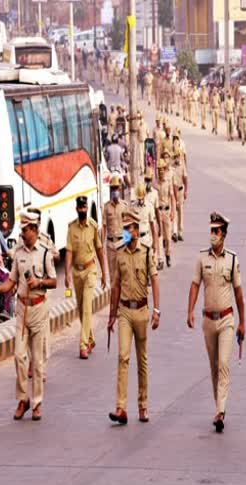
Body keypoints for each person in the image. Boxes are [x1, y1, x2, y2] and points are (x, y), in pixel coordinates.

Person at [0, 210, 57, 422]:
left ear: (34, 230)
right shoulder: (18, 253)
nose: (22, 234)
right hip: (22, 310)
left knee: (37, 362)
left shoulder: (45, 252)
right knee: (19, 357)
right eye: (21, 230)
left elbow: (54, 281)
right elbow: (11, 282)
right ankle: (23, 399)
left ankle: (37, 402)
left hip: (39, 309)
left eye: (25, 230)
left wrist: (39, 283)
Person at [187, 212, 246, 433]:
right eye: (211, 230)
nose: (212, 235)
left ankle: (221, 410)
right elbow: (195, 285)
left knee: (223, 363)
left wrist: (242, 322)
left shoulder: (232, 260)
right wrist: (190, 310)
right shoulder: (202, 258)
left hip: (227, 320)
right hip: (208, 320)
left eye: (216, 231)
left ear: (224, 235)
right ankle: (218, 406)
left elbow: (239, 293)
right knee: (213, 366)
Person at [107, 210, 160, 424]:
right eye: (125, 228)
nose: (127, 231)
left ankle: (143, 405)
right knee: (123, 357)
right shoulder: (120, 254)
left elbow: (154, 281)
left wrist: (157, 311)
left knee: (142, 359)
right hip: (125, 312)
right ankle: (121, 407)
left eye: (130, 228)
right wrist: (111, 315)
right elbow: (116, 285)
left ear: (137, 230)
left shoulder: (146, 253)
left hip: (141, 311)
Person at [66, 196, 107, 360]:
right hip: (77, 272)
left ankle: (83, 345)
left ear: (87, 209)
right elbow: (69, 251)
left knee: (87, 307)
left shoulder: (93, 227)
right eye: (80, 208)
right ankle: (90, 338)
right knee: (81, 308)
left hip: (90, 270)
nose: (82, 210)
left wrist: (104, 273)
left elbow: (99, 250)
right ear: (77, 209)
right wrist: (67, 273)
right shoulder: (71, 228)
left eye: (85, 208)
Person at [102, 173, 130, 280]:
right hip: (110, 244)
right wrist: (102, 244)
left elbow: (128, 226)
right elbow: (104, 226)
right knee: (113, 275)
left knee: (123, 273)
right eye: (113, 189)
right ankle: (115, 297)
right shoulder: (106, 207)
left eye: (116, 188)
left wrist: (128, 243)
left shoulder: (124, 206)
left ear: (120, 189)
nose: (115, 191)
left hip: (121, 243)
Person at [157, 156, 177, 268]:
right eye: (159, 169)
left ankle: (168, 255)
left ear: (165, 169)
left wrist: (173, 212)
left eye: (162, 169)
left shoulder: (168, 183)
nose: (160, 171)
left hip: (167, 211)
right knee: (159, 236)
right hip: (158, 212)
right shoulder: (155, 184)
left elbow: (172, 197)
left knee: (168, 237)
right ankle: (160, 260)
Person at [171, 139, 188, 242]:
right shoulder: (171, 167)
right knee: (174, 211)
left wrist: (186, 191)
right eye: (176, 156)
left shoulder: (182, 166)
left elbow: (185, 179)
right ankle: (174, 232)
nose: (177, 158)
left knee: (180, 211)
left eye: (178, 156)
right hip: (174, 191)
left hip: (181, 191)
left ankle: (180, 231)